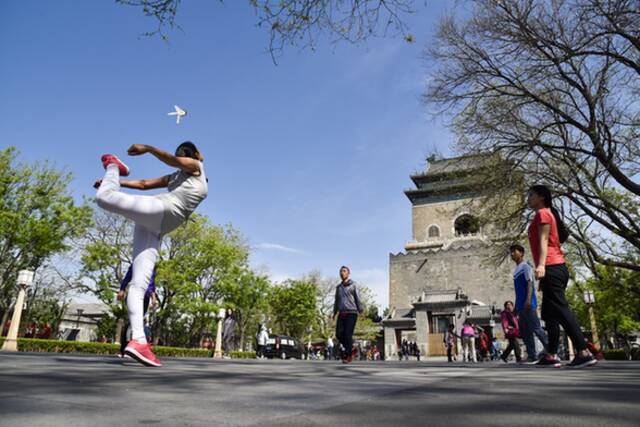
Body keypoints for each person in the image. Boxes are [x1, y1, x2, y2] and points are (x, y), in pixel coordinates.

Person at [94, 142, 207, 367]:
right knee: (104, 197)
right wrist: (118, 180)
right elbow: (145, 184)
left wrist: (148, 148)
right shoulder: (176, 175)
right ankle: (112, 167)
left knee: (139, 285)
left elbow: (172, 162)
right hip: (159, 211)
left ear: (194, 156)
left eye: (182, 156)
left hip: (156, 227)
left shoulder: (196, 168)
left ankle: (138, 341)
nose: (180, 160)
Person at [527, 185, 596, 368]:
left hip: (551, 266)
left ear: (541, 197)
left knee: (561, 309)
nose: (528, 198)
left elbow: (543, 240)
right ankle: (551, 354)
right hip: (554, 267)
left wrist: (541, 265)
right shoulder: (549, 213)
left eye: (531, 195)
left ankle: (583, 352)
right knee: (549, 314)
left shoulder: (542, 214)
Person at [510, 244, 549, 363]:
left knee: (536, 328)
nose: (512, 254)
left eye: (514, 252)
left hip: (528, 304)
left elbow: (529, 283)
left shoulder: (526, 266)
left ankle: (551, 349)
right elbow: (518, 290)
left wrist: (528, 300)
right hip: (521, 305)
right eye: (511, 252)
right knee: (525, 331)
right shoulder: (516, 270)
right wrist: (516, 306)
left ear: (521, 253)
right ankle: (532, 355)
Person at [117, 265, 157, 357]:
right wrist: (122, 290)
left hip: (145, 298)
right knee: (131, 321)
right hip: (134, 295)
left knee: (139, 322)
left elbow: (152, 284)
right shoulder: (136, 262)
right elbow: (127, 277)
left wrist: (153, 297)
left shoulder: (152, 267)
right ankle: (124, 349)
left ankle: (136, 349)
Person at [332, 266, 363, 364]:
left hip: (352, 312)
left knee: (347, 334)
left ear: (348, 273)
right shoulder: (339, 287)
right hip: (341, 313)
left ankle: (349, 355)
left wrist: (361, 310)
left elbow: (358, 298)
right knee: (338, 334)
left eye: (344, 271)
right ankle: (351, 348)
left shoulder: (354, 285)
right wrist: (334, 312)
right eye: (340, 271)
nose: (342, 273)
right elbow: (336, 301)